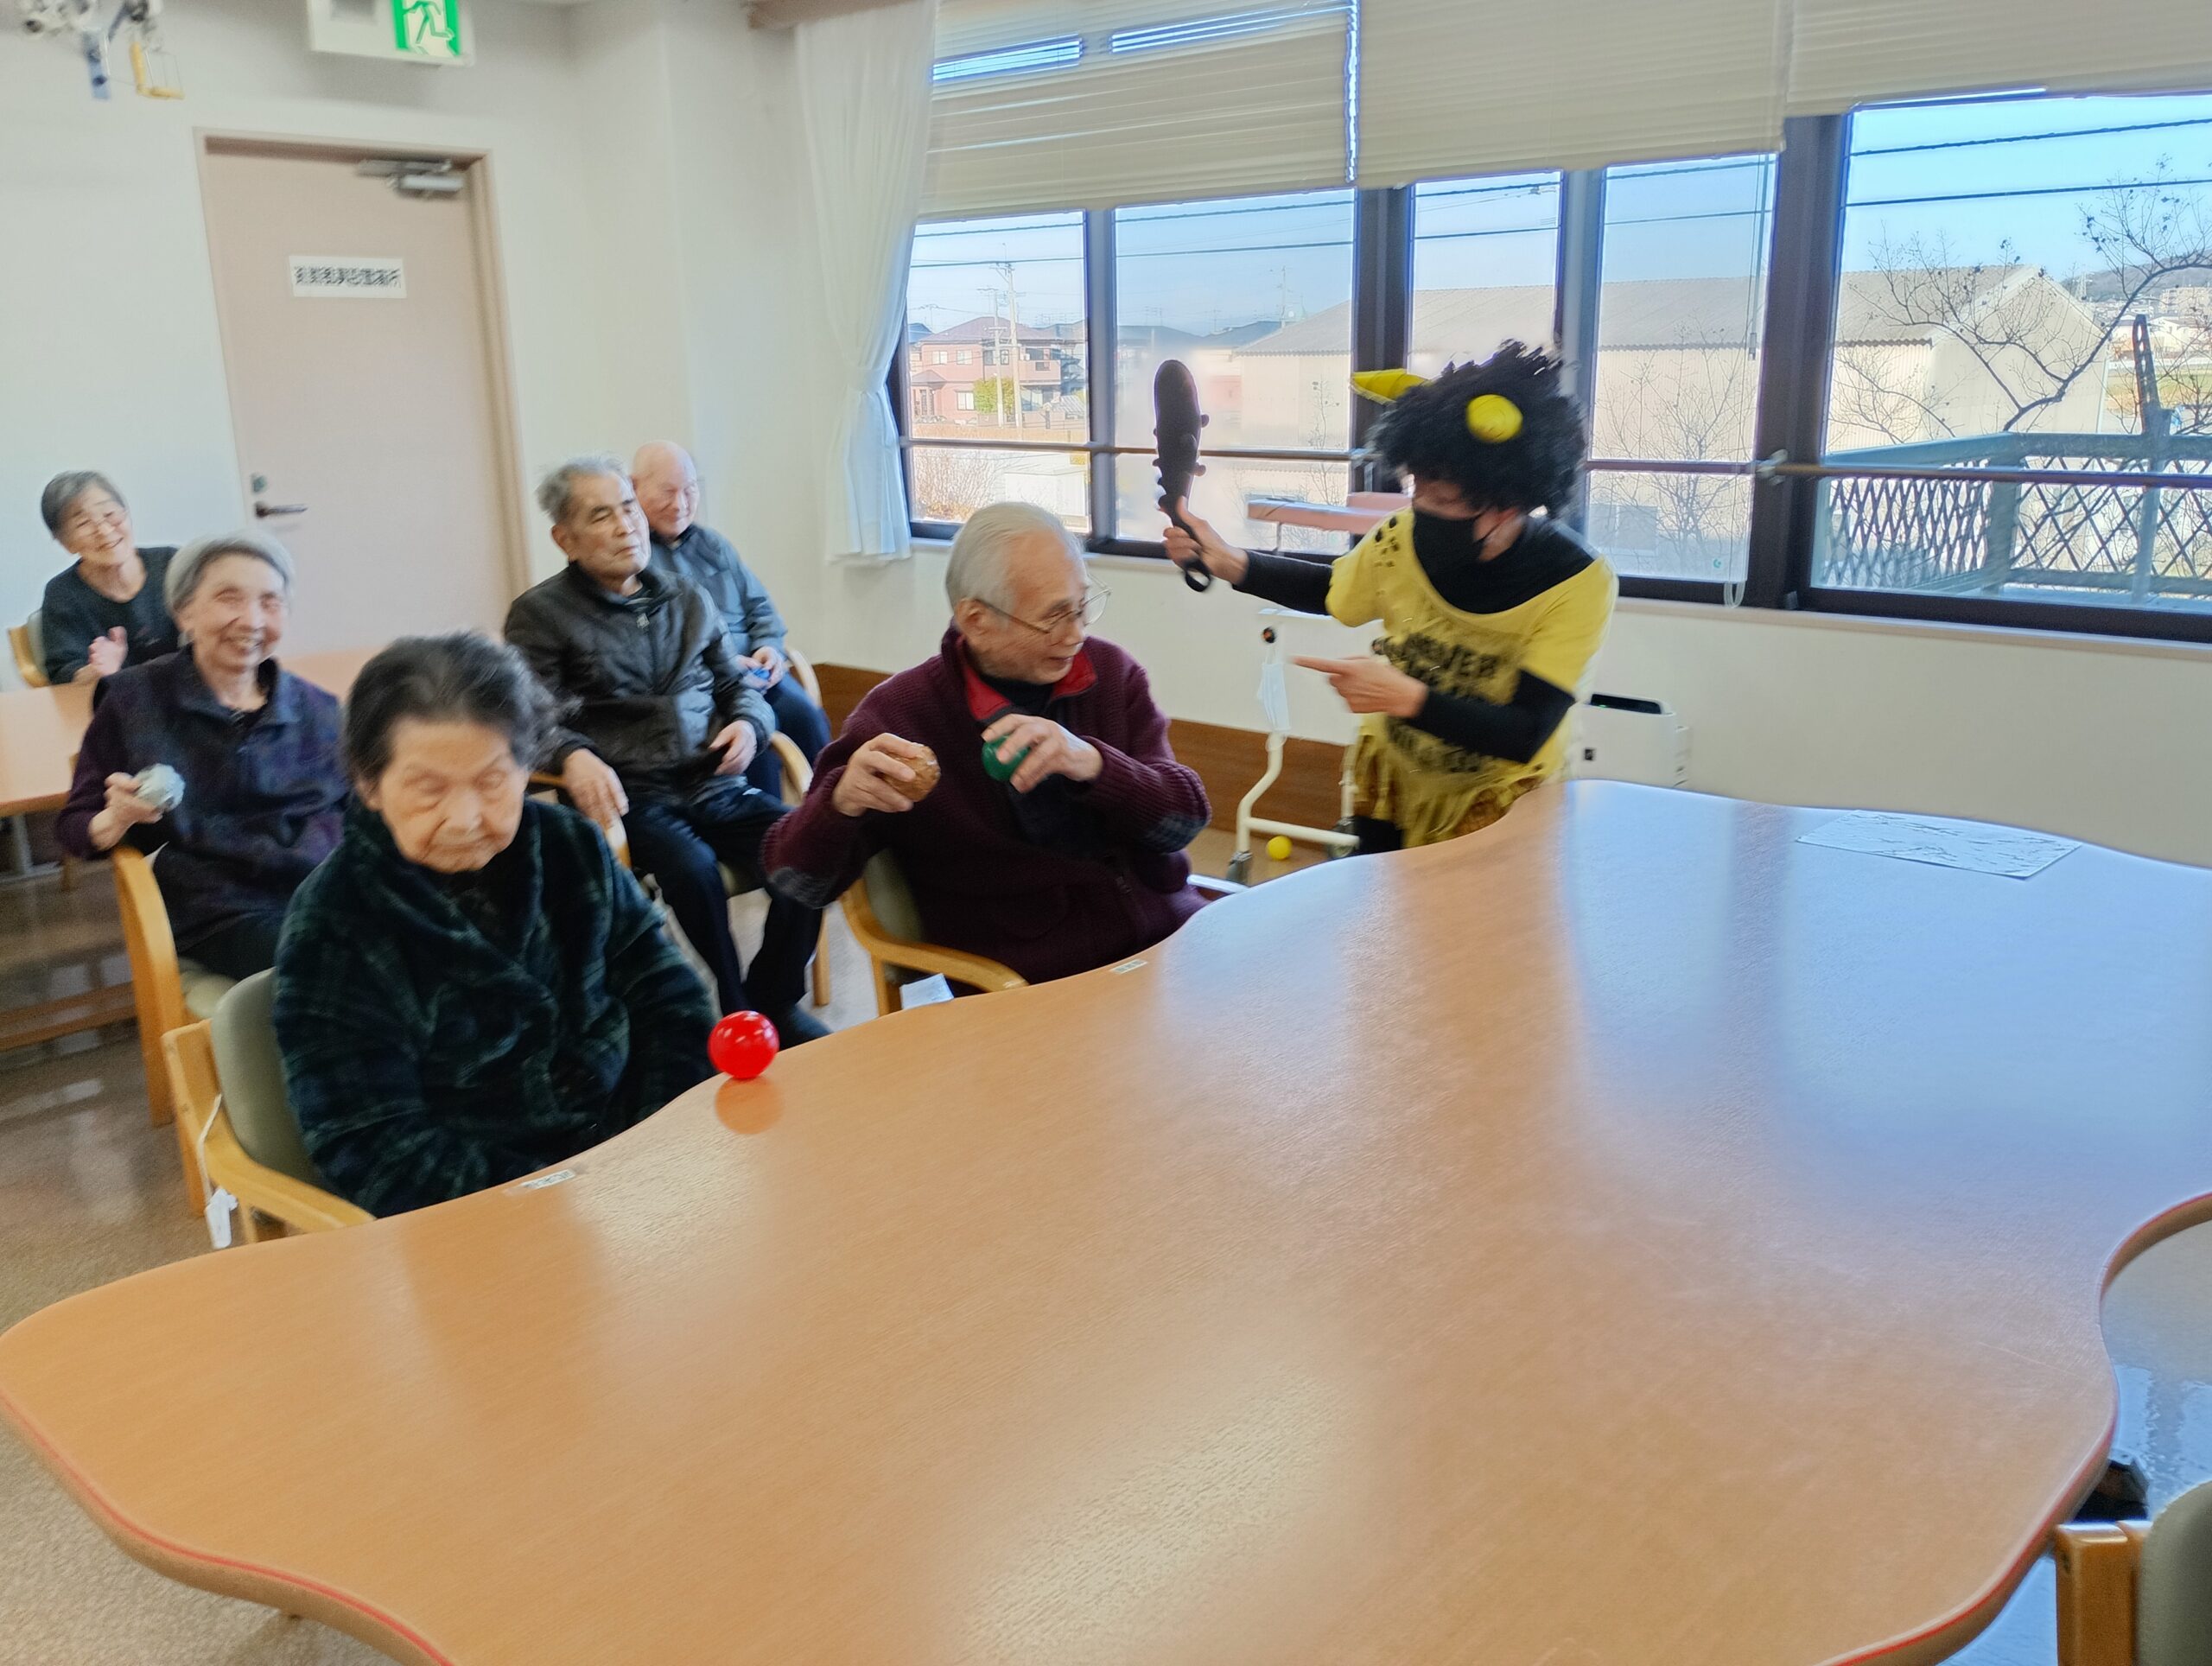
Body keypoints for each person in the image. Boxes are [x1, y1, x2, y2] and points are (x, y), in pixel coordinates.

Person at [274, 633, 718, 1218]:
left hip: (638, 1161)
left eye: (491, 782)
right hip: (481, 1212)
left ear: (527, 766)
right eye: (428, 789)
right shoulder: (333, 920)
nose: (465, 819)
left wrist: (649, 1148)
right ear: (368, 784)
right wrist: (560, 1200)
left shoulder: (571, 847)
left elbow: (671, 1000)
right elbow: (369, 1144)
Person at [1166, 343, 1617, 852]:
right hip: (1393, 785)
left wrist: (1405, 697)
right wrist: (1233, 562)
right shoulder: (1400, 536)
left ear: (1508, 506)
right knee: (1381, 900)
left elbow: (1527, 731)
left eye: (1442, 500)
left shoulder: (1574, 581)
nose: (1421, 510)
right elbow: (1335, 590)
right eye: (1416, 491)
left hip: (1499, 800)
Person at [764, 501, 1211, 987]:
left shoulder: (1111, 675)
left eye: (1083, 605)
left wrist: (1096, 766)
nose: (1077, 634)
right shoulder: (899, 719)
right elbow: (797, 883)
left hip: (1172, 944)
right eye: (1054, 617)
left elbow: (1184, 821)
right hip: (1036, 984)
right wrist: (840, 804)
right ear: (976, 620)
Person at [505, 455, 828, 1046]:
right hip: (632, 796)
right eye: (601, 516)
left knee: (808, 849)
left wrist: (751, 725)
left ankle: (773, 999)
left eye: (628, 508)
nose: (625, 525)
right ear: (565, 539)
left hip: (713, 783)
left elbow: (736, 684)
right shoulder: (540, 615)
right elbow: (531, 716)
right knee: (693, 870)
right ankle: (733, 1012)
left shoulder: (686, 596)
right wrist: (572, 753)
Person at [57, 532, 346, 979]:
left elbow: (363, 812)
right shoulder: (134, 700)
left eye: (270, 602)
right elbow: (74, 825)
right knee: (332, 965)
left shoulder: (318, 710)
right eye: (229, 599)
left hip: (324, 888)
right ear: (184, 612)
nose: (252, 620)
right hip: (221, 908)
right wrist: (116, 818)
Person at [632, 441, 833, 798]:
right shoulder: (634, 559)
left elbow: (761, 609)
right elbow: (651, 646)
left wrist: (769, 648)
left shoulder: (714, 546)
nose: (680, 504)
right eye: (667, 492)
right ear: (634, 488)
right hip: (704, 688)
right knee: (753, 743)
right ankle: (768, 827)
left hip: (758, 674)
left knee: (807, 719)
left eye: (690, 490)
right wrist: (724, 664)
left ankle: (831, 814)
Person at [35, 471, 180, 684]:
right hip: (121, 700)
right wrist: (98, 671)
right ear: (66, 543)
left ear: (126, 513)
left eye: (109, 513)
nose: (104, 530)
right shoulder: (63, 594)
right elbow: (64, 672)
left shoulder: (172, 563)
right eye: (83, 523)